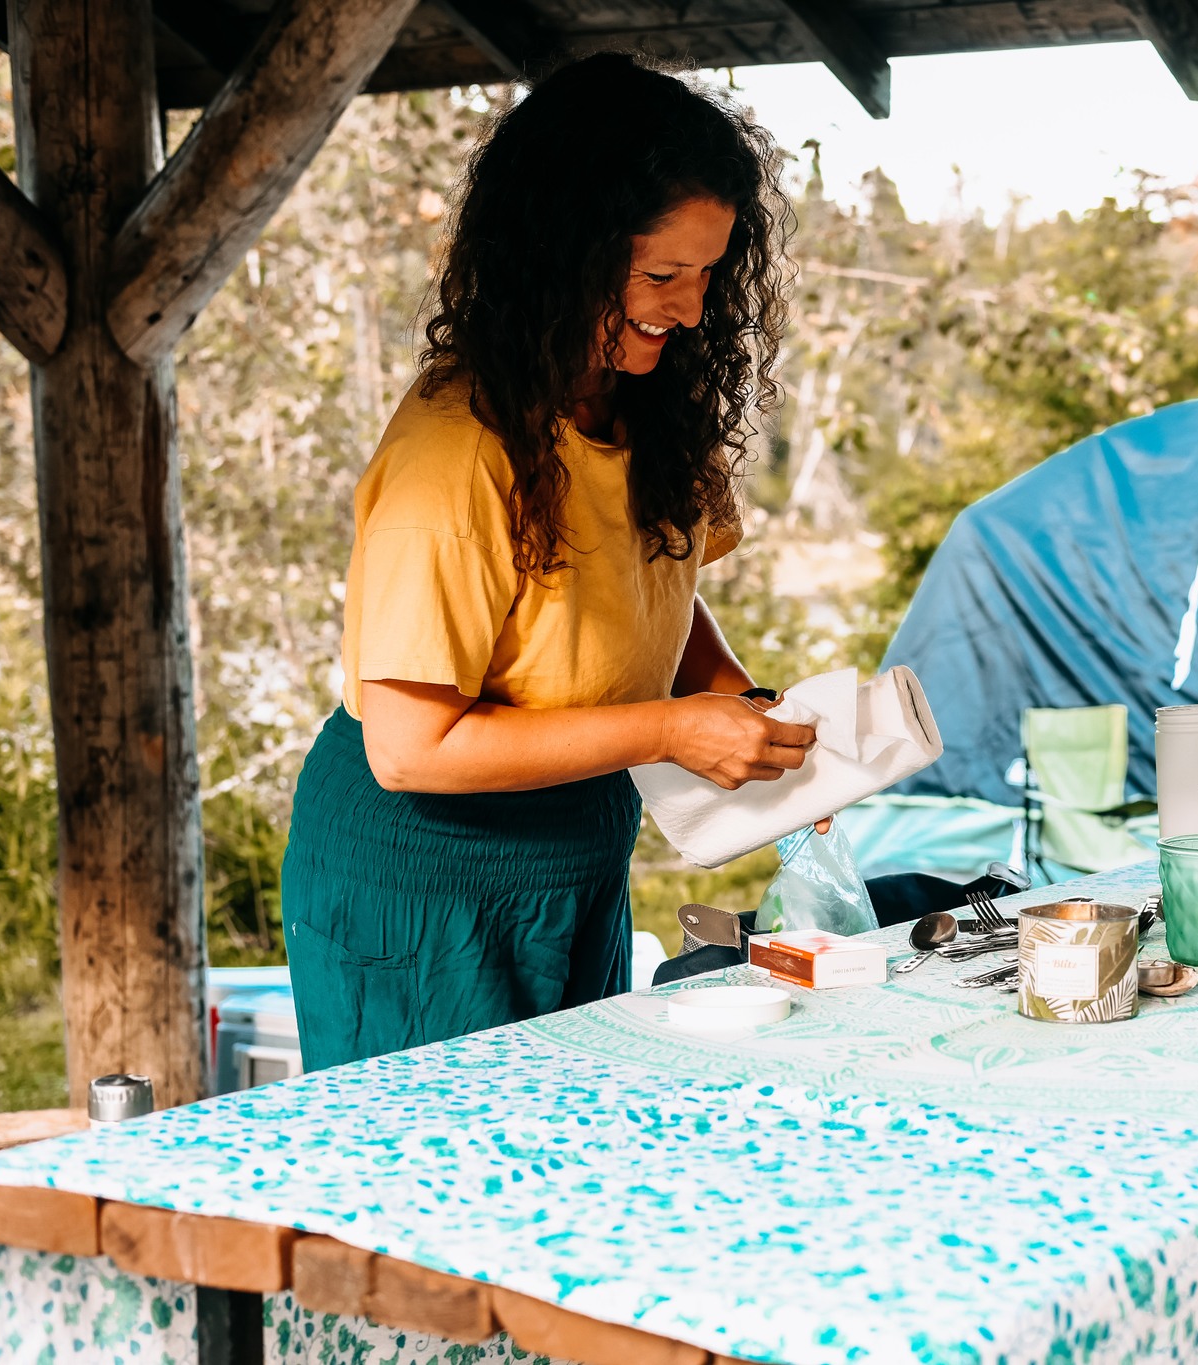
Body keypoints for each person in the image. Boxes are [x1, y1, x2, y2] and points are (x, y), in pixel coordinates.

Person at [281, 55, 819, 1070]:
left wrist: (742, 708)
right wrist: (667, 727)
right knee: (432, 1194)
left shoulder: (643, 408)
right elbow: (409, 748)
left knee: (552, 1168)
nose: (693, 309)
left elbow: (659, 587)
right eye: (661, 276)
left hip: (576, 842)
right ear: (561, 254)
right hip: (424, 873)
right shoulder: (456, 452)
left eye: (709, 274)